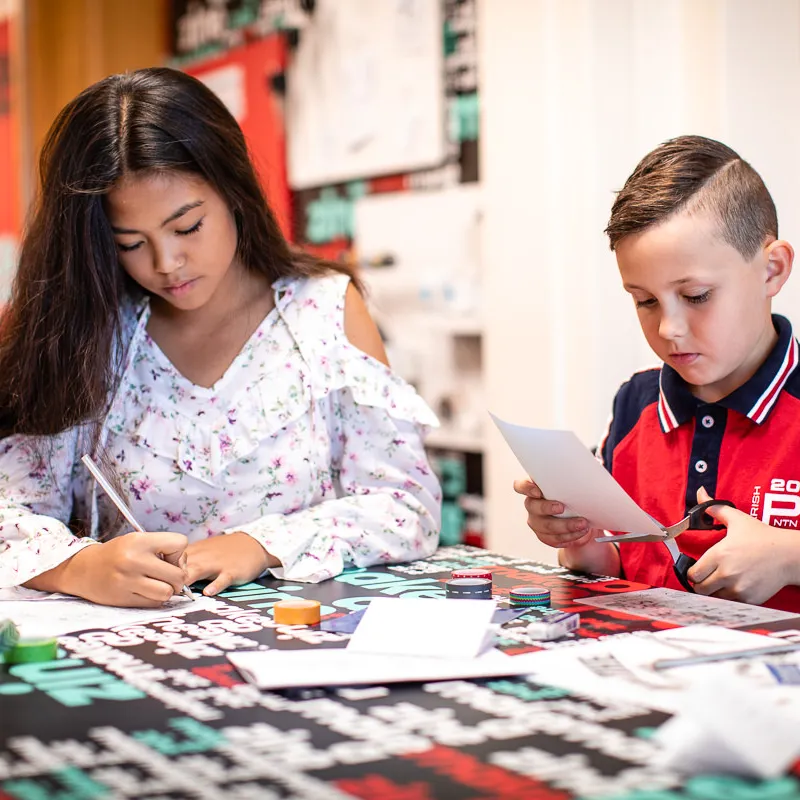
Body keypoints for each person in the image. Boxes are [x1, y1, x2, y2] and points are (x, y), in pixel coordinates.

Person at [0, 67, 441, 607]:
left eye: (187, 227)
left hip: (301, 647)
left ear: (233, 192)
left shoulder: (322, 312)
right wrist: (76, 565)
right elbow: (10, 510)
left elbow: (404, 506)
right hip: (135, 650)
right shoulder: (87, 330)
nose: (167, 263)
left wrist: (260, 544)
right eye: (131, 243)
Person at [515, 135, 800, 611]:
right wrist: (582, 537)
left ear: (771, 269)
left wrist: (790, 557)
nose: (669, 328)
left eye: (696, 296)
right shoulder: (636, 403)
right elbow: (623, 565)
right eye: (645, 301)